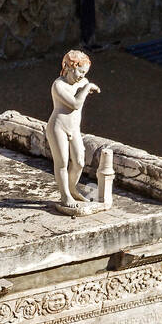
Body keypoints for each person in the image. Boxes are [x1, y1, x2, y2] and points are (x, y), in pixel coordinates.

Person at [46, 49, 99, 208]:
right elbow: (75, 104)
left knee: (79, 162)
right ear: (70, 67)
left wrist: (85, 85)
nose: (83, 75)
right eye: (80, 71)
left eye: (85, 72)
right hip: (58, 127)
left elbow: (81, 93)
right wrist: (87, 87)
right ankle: (65, 195)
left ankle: (72, 189)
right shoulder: (58, 85)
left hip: (74, 128)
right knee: (61, 162)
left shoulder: (82, 82)